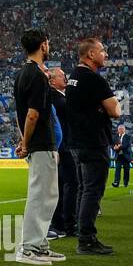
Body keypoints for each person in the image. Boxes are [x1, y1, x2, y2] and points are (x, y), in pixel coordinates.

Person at [64, 37, 120, 256]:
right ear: (90, 54)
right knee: (92, 191)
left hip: (77, 142)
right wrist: (105, 108)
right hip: (93, 141)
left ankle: (82, 234)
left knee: (84, 189)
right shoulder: (92, 78)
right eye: (102, 50)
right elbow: (115, 111)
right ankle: (86, 239)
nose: (105, 54)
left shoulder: (73, 77)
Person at [12, 29, 64, 265]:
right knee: (40, 195)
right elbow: (32, 114)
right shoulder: (38, 76)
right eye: (48, 43)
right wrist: (26, 142)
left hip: (38, 143)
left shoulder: (22, 74)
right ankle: (29, 248)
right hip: (42, 143)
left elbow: (19, 114)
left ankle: (39, 244)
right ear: (43, 45)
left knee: (47, 195)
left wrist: (23, 140)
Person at [47, 68, 78, 240]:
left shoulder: (58, 96)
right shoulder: (55, 97)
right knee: (70, 183)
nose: (65, 78)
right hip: (63, 147)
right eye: (61, 76)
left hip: (62, 146)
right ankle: (67, 223)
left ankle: (60, 223)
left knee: (61, 185)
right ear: (52, 80)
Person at [111, 124, 133, 188]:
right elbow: (112, 145)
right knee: (117, 170)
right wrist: (114, 148)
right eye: (119, 129)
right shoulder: (115, 137)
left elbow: (126, 145)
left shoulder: (128, 137)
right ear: (118, 130)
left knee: (126, 170)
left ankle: (126, 182)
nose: (120, 130)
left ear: (124, 130)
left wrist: (118, 147)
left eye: (121, 129)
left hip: (126, 156)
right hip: (118, 156)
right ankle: (116, 182)